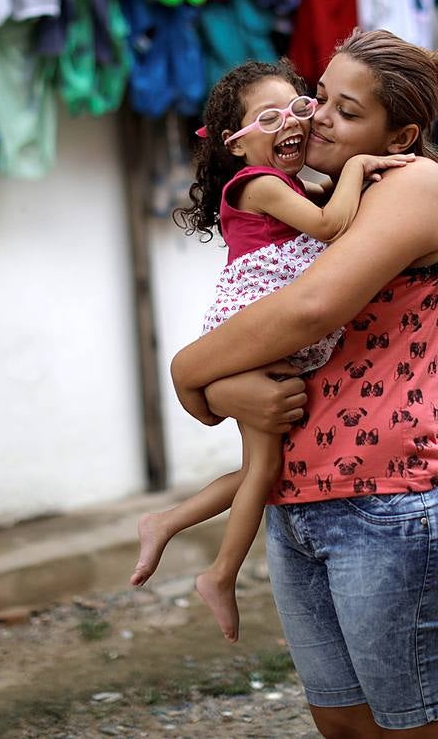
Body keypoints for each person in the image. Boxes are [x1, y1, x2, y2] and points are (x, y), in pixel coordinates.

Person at [170, 29, 438, 738]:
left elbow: (309, 310)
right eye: (319, 97)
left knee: (412, 732)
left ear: (397, 133)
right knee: (342, 725)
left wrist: (188, 372)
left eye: (346, 111)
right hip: (298, 501)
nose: (315, 117)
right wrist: (224, 391)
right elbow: (264, 340)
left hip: (390, 508)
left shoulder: (412, 184)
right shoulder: (308, 194)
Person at [131, 59, 415, 643]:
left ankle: (166, 523)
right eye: (267, 117)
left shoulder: (284, 183)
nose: (290, 122)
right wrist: (360, 164)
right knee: (263, 467)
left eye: (297, 108)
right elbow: (332, 225)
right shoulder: (258, 184)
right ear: (235, 145)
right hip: (255, 331)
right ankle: (220, 573)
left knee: (264, 468)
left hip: (266, 335)